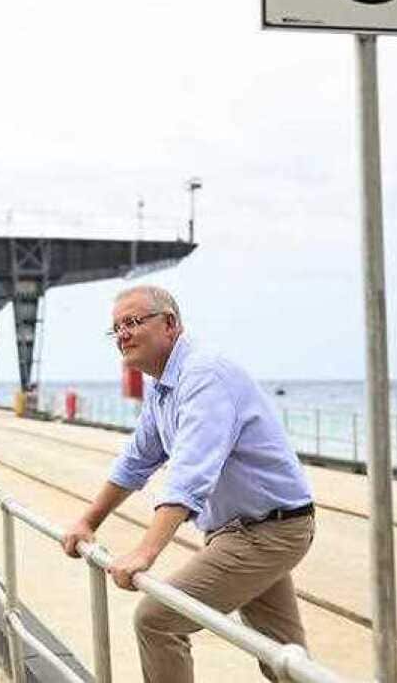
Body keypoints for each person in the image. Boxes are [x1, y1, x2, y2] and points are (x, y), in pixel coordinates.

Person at [61, 285, 315, 683]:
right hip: (241, 530)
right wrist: (87, 521)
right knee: (283, 656)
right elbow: (136, 460)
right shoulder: (164, 386)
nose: (122, 335)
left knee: (157, 620)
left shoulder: (204, 374)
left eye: (132, 322)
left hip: (268, 531)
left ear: (170, 324)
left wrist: (146, 552)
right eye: (115, 328)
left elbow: (191, 472)